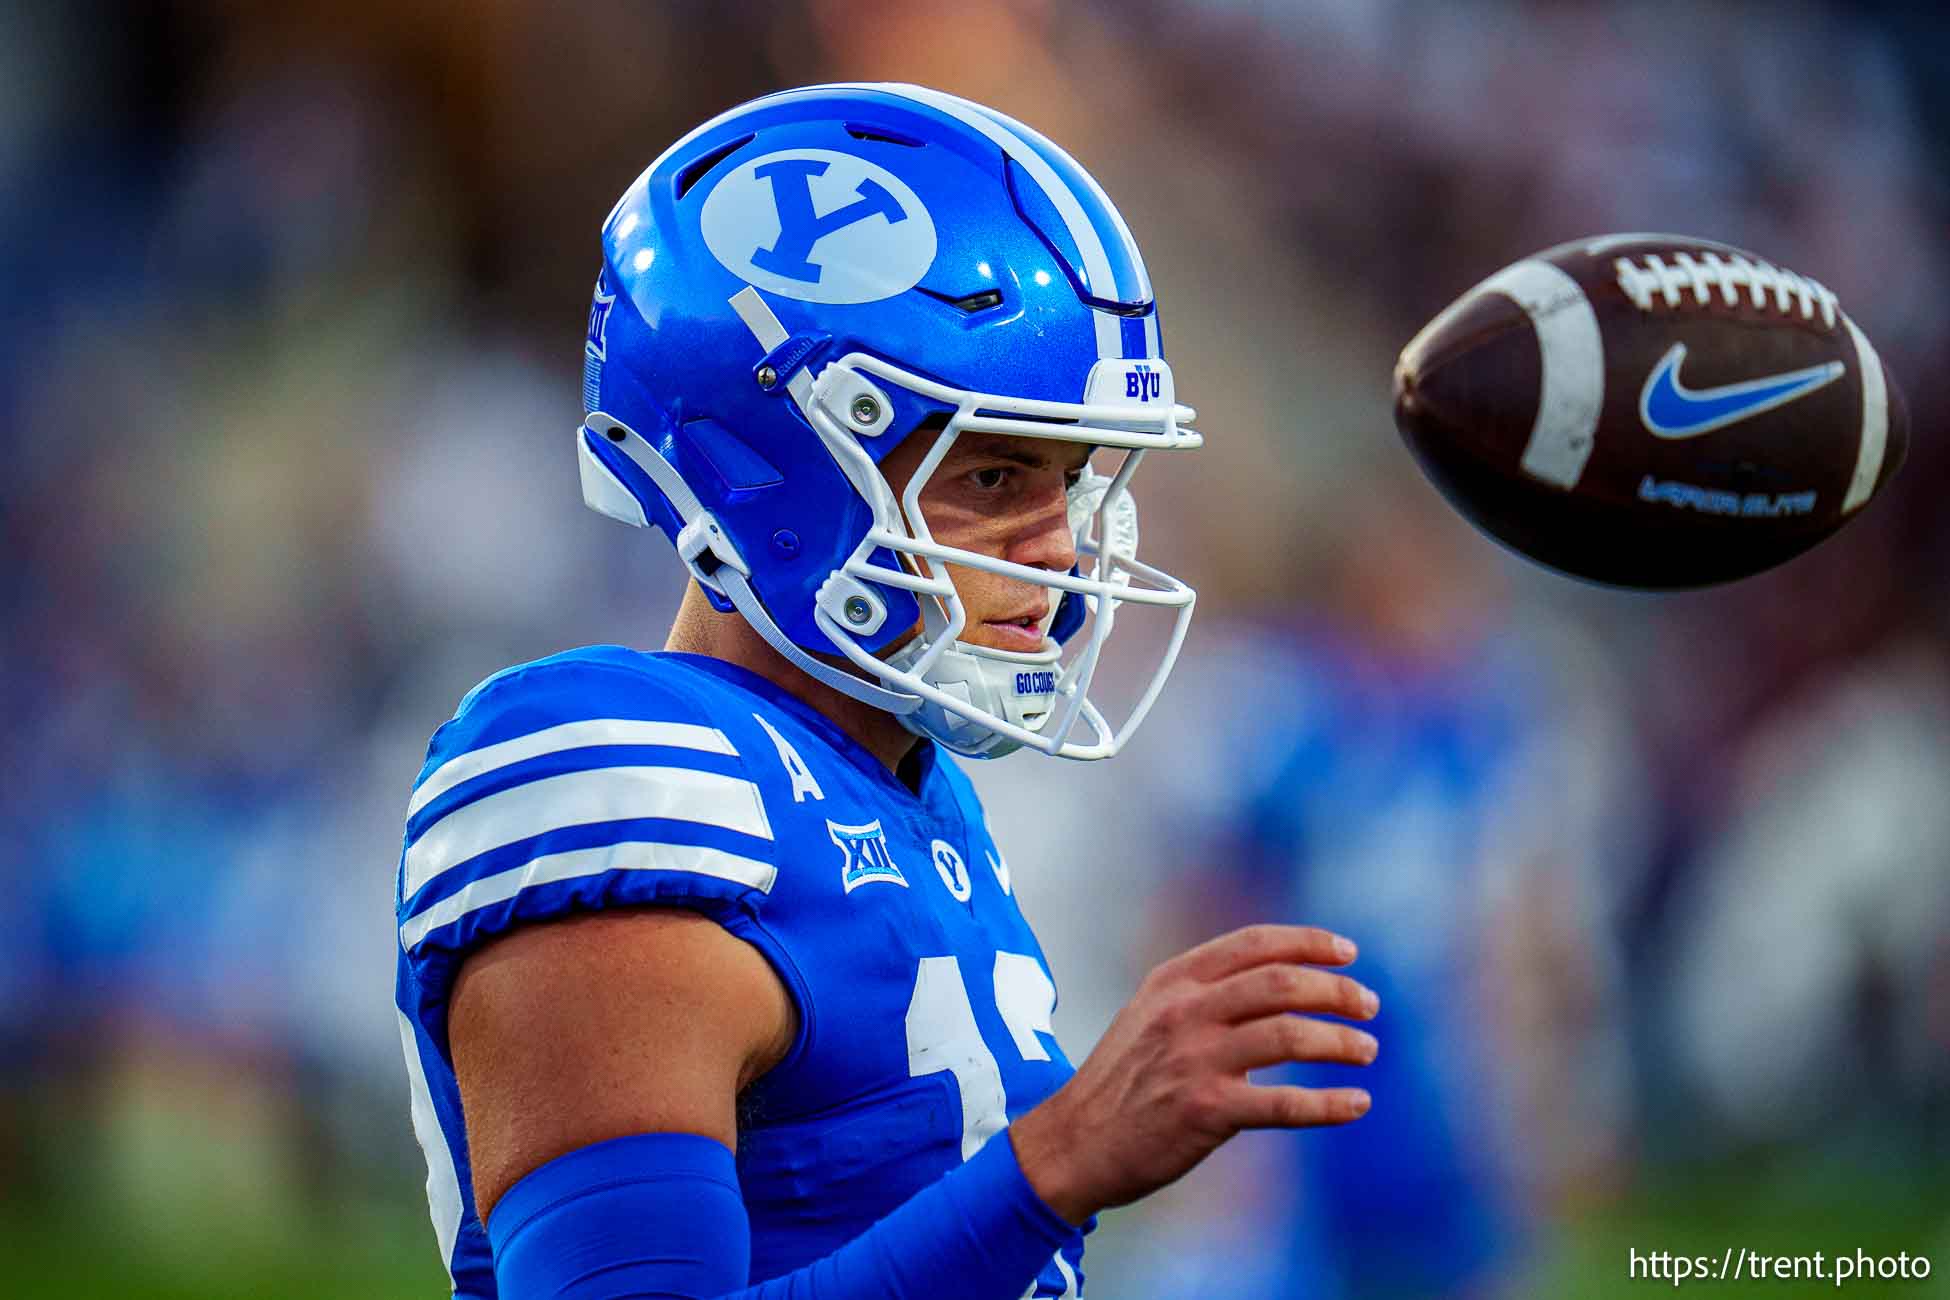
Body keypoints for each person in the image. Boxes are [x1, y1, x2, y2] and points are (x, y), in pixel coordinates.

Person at [392, 82, 1379, 1300]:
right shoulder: (624, 773)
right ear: (777, 465)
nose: (1061, 545)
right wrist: (1058, 1162)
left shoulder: (914, 792)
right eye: (997, 469)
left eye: (1070, 476)